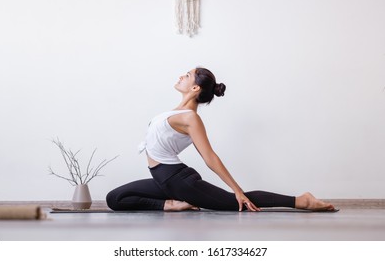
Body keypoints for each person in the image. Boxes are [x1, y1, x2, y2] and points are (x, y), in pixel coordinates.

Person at [106, 68, 335, 212]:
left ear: (195, 87)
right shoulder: (174, 112)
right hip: (163, 180)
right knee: (115, 198)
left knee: (233, 202)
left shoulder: (190, 118)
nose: (180, 76)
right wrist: (167, 203)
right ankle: (171, 204)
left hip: (177, 180)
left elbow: (209, 157)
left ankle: (301, 200)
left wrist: (237, 189)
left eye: (186, 75)